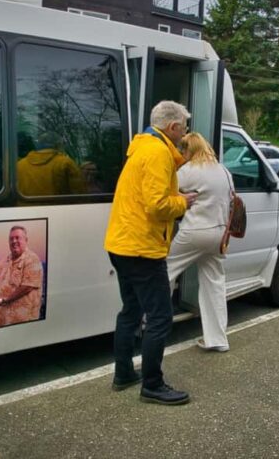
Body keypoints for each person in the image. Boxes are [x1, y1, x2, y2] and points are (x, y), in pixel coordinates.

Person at [104, 100, 198, 405]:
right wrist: (184, 202)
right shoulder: (158, 152)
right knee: (160, 317)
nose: (185, 133)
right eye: (184, 127)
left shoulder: (142, 148)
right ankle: (153, 385)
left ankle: (123, 373)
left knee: (130, 311)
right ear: (172, 127)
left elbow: (149, 196)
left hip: (121, 244)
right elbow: (157, 206)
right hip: (143, 249)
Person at [167, 132, 233, 353]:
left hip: (194, 233)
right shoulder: (223, 170)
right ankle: (217, 340)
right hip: (219, 234)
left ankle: (149, 324)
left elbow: (168, 194)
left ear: (188, 150)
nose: (181, 155)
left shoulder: (188, 171)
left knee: (164, 271)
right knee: (214, 284)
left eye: (182, 151)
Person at [17, 130, 86, 196]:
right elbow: (79, 194)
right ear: (58, 145)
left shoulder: (19, 164)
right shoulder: (65, 163)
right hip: (58, 207)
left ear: (38, 145)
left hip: (25, 207)